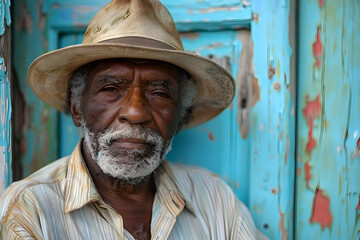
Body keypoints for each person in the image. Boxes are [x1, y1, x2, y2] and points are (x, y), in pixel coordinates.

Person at [0, 0, 268, 239]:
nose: (136, 112)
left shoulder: (216, 202)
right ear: (76, 108)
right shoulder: (31, 208)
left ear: (181, 116)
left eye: (160, 92)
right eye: (110, 89)